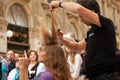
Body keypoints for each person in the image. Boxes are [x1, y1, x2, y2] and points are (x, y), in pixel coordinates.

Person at [49, 0, 118, 80]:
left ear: (91, 12)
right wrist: (61, 39)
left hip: (106, 77)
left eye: (81, 16)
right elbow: (77, 47)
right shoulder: (91, 32)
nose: (80, 20)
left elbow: (78, 8)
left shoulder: (106, 23)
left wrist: (59, 4)